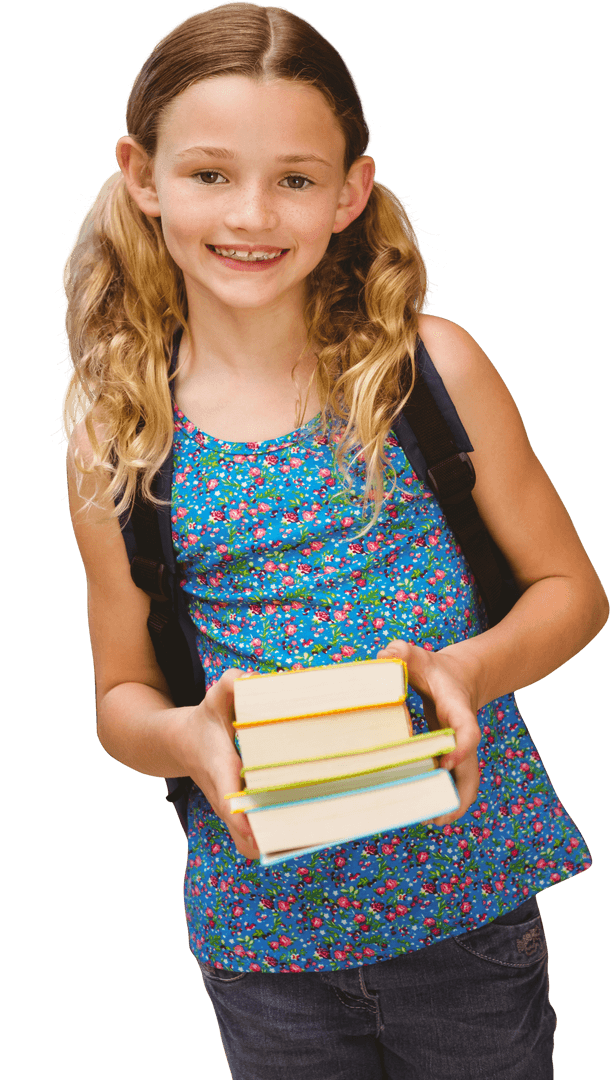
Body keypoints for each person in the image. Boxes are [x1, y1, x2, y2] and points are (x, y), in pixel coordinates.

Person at [62, 4, 607, 1078]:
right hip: (264, 943)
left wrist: (464, 668)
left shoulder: (429, 370)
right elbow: (120, 699)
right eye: (210, 174)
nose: (252, 213)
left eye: (296, 179)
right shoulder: (115, 426)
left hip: (466, 909)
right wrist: (188, 740)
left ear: (351, 191)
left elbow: (569, 590)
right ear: (142, 175)